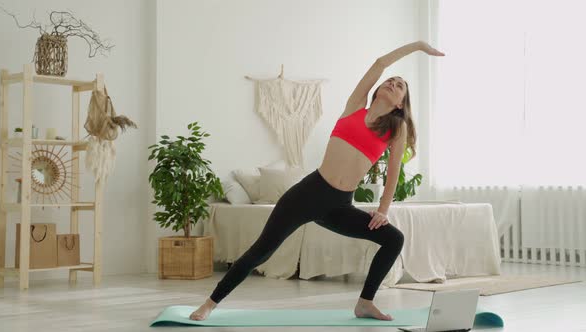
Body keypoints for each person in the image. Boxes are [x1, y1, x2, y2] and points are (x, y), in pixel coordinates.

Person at [190, 41, 445, 321]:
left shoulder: (396, 128)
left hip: (339, 205)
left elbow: (394, 172)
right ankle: (210, 304)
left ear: (400, 104)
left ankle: (365, 303)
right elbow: (380, 63)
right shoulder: (354, 107)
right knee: (260, 252)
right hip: (308, 193)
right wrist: (419, 46)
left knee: (393, 238)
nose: (393, 83)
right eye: (391, 81)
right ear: (376, 91)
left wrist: (383, 211)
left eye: (399, 86)